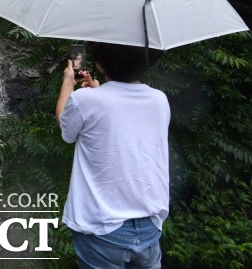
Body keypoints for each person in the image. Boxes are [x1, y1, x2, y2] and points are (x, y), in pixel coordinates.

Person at [55, 42, 170, 269]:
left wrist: (68, 83)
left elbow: (65, 128)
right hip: (149, 226)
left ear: (99, 63)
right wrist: (100, 92)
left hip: (102, 229)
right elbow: (123, 119)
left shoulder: (84, 100)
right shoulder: (160, 100)